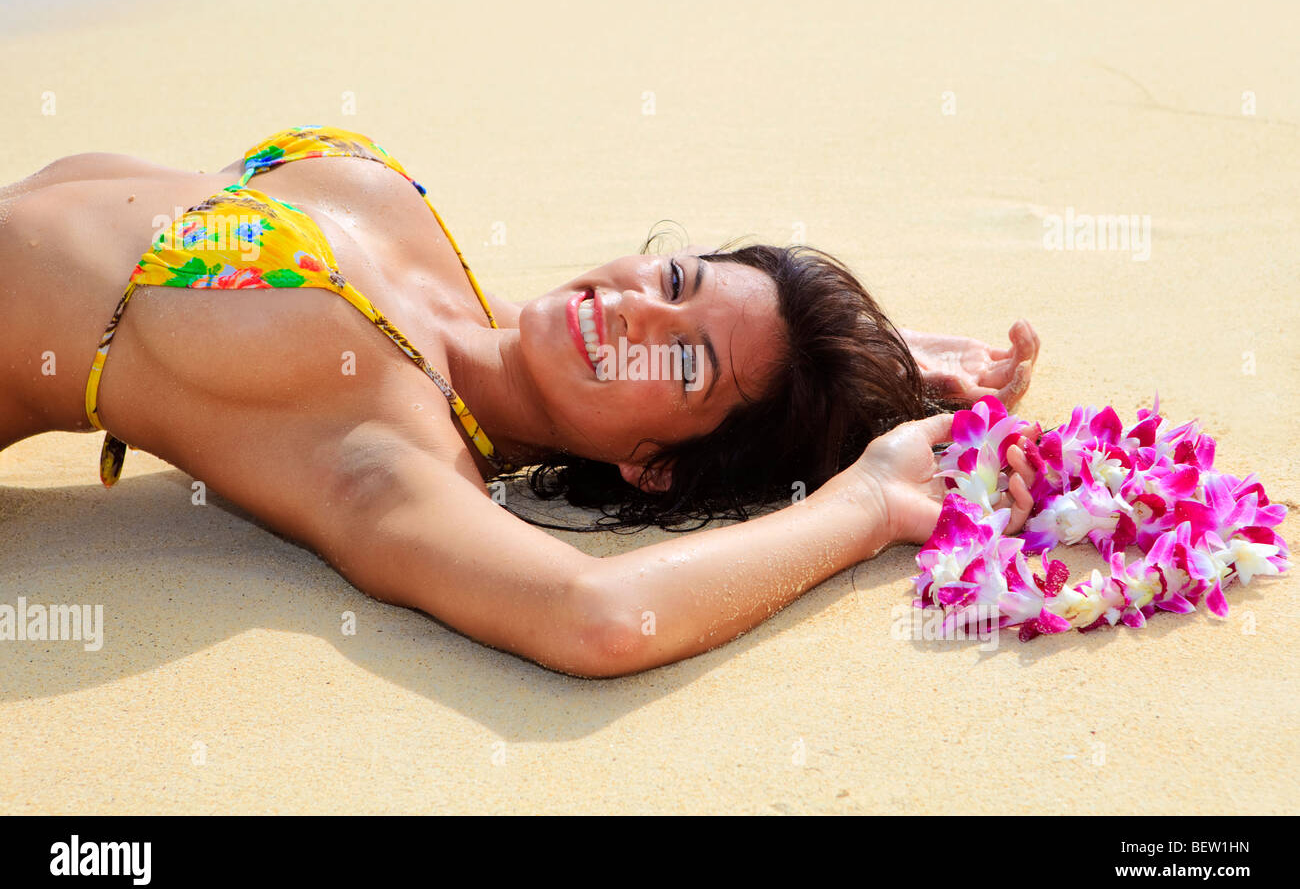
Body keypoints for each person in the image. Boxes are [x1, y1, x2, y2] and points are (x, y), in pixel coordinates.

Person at [0, 126, 1040, 677]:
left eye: (683, 367)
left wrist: (867, 500)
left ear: (654, 464)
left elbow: (596, 617)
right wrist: (878, 354)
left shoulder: (383, 450)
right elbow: (510, 337)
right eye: (675, 281)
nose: (635, 313)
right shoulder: (454, 306)